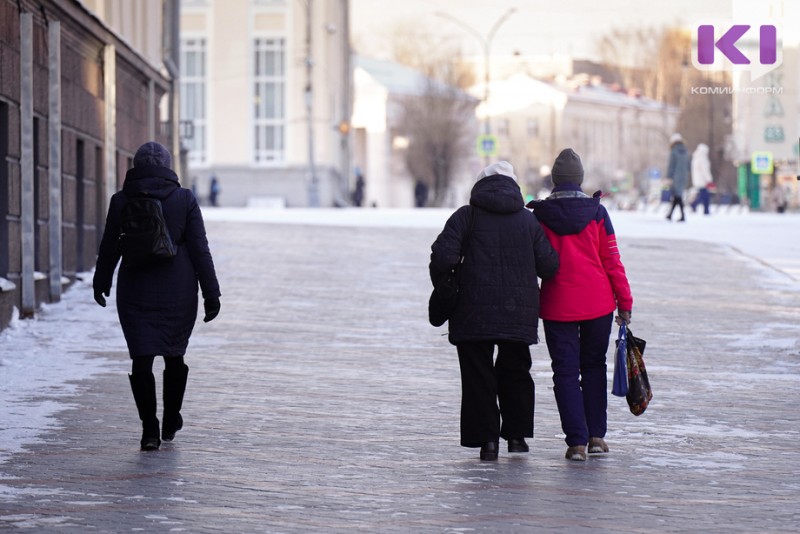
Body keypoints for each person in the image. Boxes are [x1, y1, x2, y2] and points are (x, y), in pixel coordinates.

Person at [93, 141, 221, 451]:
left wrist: (101, 281)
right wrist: (211, 293)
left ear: (136, 166)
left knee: (142, 357)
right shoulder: (184, 199)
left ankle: (149, 429)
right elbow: (200, 248)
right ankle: (171, 417)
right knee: (174, 354)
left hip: (134, 287)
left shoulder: (121, 200)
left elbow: (109, 245)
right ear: (166, 166)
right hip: (178, 289)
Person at [429, 161, 559, 461]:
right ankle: (516, 436)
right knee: (516, 371)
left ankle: (487, 441)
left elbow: (442, 255)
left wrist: (447, 283)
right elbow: (549, 266)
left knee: (478, 375)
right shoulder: (528, 221)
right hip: (518, 312)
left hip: (471, 311)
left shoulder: (466, 216)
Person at [527, 148, 633, 462]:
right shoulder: (597, 213)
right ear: (580, 180)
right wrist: (624, 301)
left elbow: (534, 262)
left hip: (557, 304)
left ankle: (576, 442)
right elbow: (612, 261)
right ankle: (597, 436)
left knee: (565, 372)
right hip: (597, 304)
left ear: (554, 181)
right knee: (594, 367)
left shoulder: (539, 216)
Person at [665, 133, 690, 222]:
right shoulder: (686, 151)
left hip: (675, 176)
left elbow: (671, 166)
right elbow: (689, 165)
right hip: (684, 176)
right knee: (677, 196)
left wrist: (668, 177)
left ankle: (682, 215)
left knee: (677, 196)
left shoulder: (674, 151)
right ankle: (670, 214)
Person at [690, 143, 713, 215]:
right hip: (703, 180)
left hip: (697, 180)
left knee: (703, 195)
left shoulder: (695, 158)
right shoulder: (703, 158)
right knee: (705, 196)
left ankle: (699, 206)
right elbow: (705, 170)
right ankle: (705, 209)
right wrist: (709, 180)